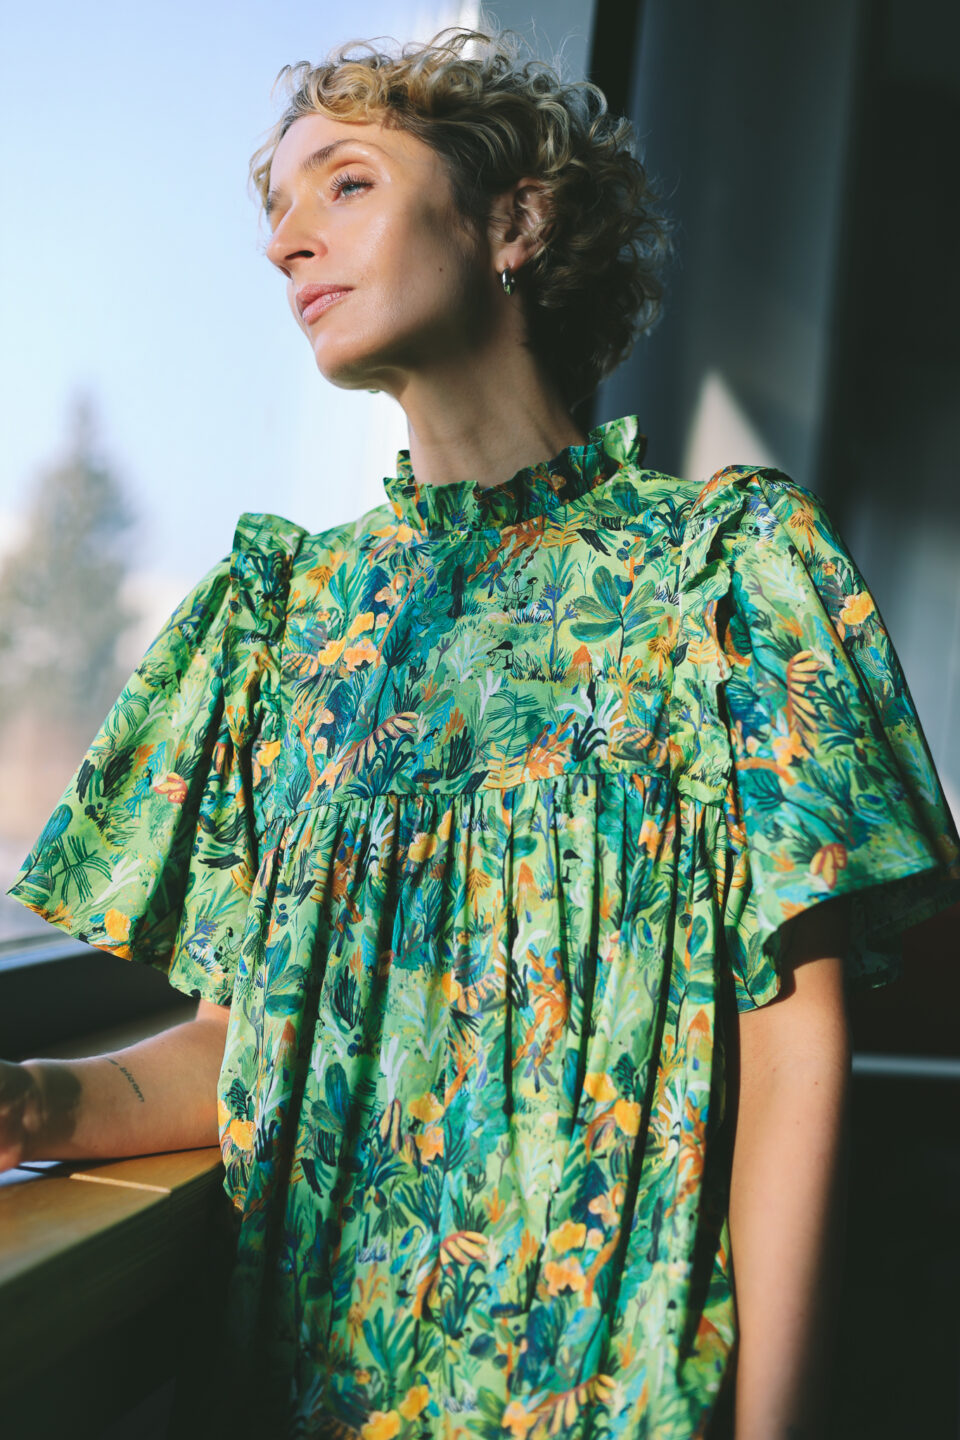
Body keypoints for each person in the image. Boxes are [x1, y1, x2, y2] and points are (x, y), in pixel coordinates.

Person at [3, 21, 959, 1440]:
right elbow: (244, 1046)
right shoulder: (285, 618)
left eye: (343, 184)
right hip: (300, 1393)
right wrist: (33, 1102)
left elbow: (792, 1053)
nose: (285, 244)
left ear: (512, 217)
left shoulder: (724, 574)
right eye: (275, 209)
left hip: (605, 1391)